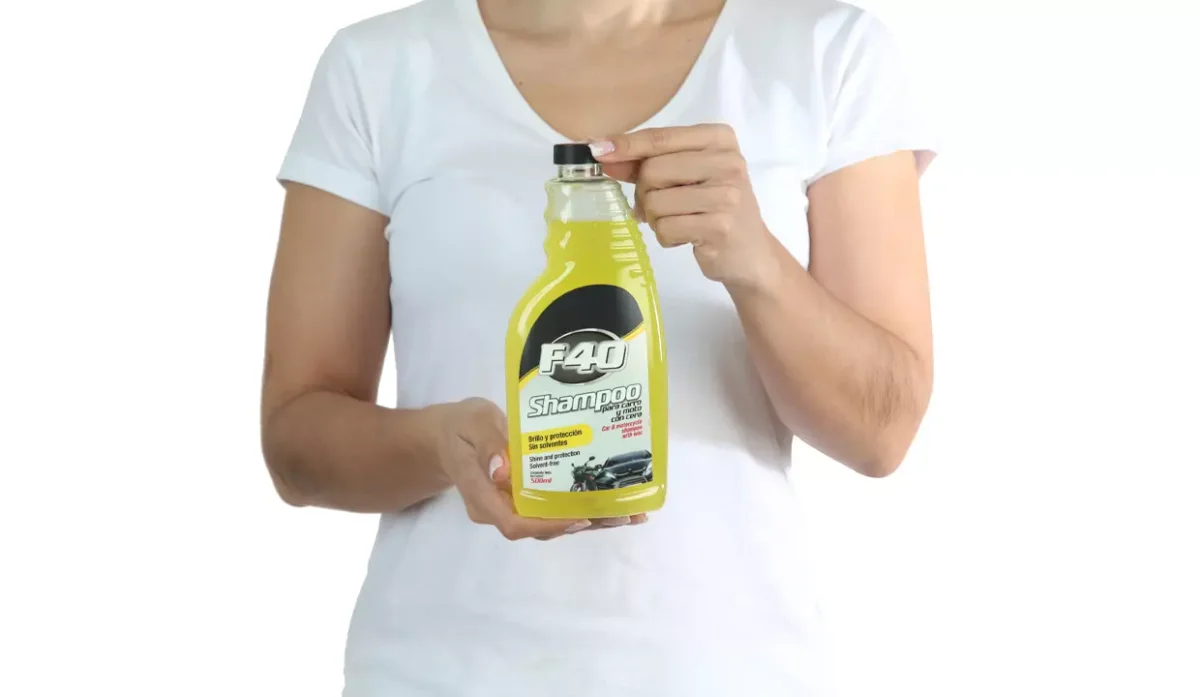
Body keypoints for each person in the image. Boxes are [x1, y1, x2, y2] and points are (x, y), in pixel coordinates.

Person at [261, 0, 936, 694]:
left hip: (729, 669)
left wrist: (757, 260)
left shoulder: (826, 54)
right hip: (441, 670)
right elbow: (295, 445)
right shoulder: (378, 68)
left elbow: (881, 431)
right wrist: (440, 446)